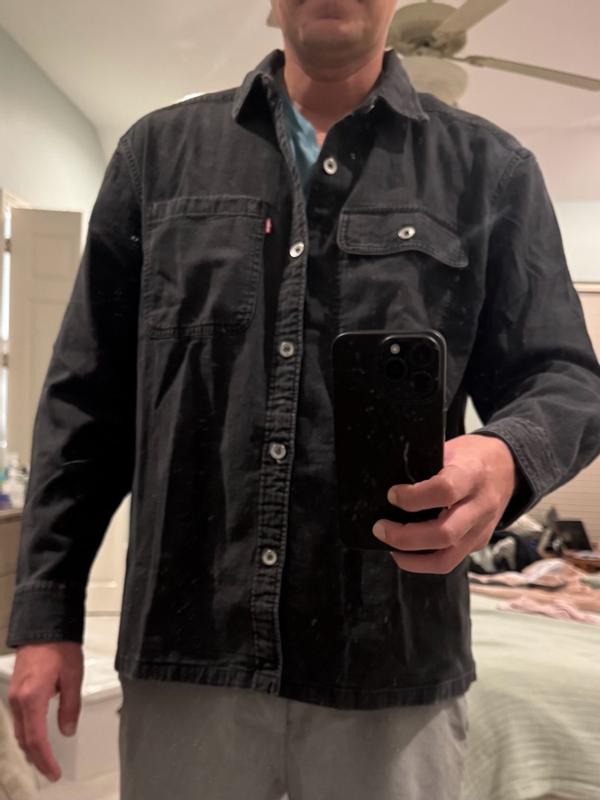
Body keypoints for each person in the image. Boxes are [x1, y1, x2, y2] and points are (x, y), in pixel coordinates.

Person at [6, 1, 600, 798]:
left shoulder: (490, 170)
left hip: (392, 662)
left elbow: (566, 378)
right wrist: (47, 616)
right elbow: (86, 405)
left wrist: (504, 455)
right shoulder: (156, 157)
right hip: (190, 652)